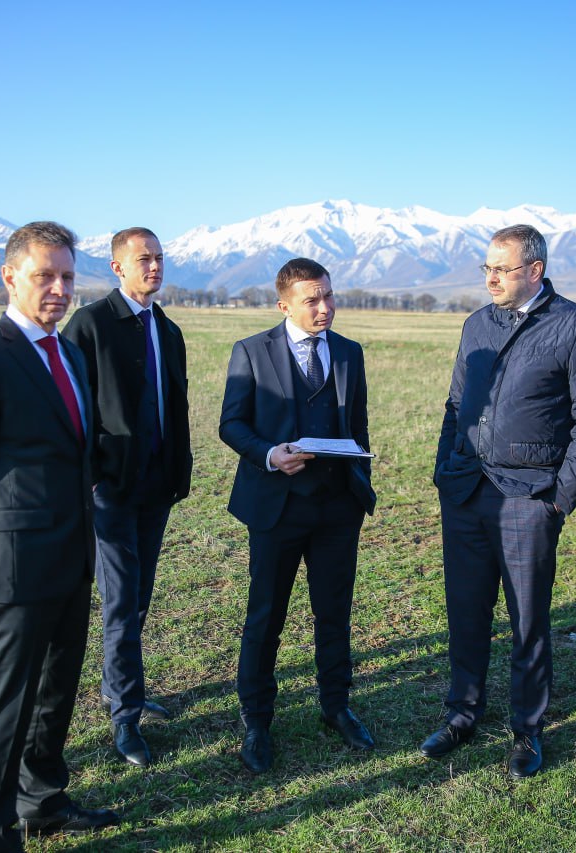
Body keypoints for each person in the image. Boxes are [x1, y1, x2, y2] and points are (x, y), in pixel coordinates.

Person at [0, 221, 118, 851]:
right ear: (10, 277)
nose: (59, 289)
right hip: (12, 566)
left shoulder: (69, 353)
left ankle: (42, 803)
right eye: (45, 276)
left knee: (55, 696)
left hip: (72, 555)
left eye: (67, 276)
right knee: (4, 711)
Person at [423, 224, 576, 780]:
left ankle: (527, 729)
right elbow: (456, 404)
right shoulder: (476, 324)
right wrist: (444, 470)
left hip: (529, 496)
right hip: (465, 491)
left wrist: (560, 498)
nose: (491, 278)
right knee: (465, 610)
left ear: (535, 270)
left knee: (528, 618)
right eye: (486, 268)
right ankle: (462, 714)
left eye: (501, 269)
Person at [219, 257, 377, 774]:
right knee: (266, 617)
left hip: (337, 509)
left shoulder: (350, 352)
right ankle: (257, 720)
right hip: (276, 507)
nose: (324, 307)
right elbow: (231, 424)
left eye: (328, 295)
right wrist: (269, 454)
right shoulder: (250, 351)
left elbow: (358, 425)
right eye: (312, 299)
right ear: (283, 304)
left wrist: (359, 480)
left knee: (334, 613)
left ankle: (336, 706)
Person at [62, 227, 191, 767]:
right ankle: (125, 717)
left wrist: (179, 470)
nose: (154, 267)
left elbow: (176, 406)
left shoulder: (168, 329)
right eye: (143, 259)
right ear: (117, 267)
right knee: (118, 600)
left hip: (157, 485)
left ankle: (119, 686)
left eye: (159, 257)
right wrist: (91, 475)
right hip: (110, 490)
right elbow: (71, 406)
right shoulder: (89, 324)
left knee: (138, 596)